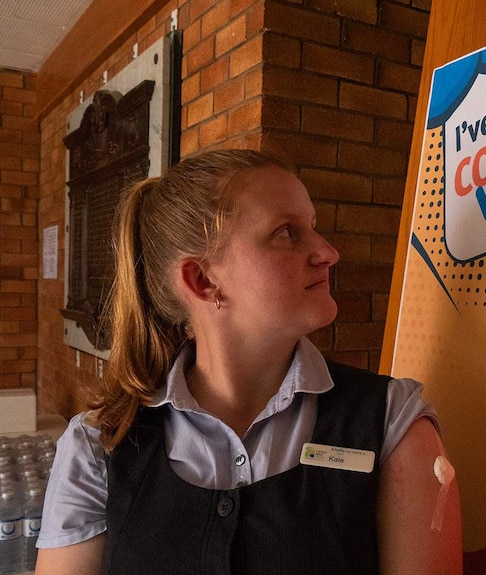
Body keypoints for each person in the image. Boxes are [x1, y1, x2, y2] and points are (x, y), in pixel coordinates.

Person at [35, 150, 463, 574]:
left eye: (312, 227)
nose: (328, 252)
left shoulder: (392, 422)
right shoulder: (98, 446)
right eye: (286, 233)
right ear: (203, 281)